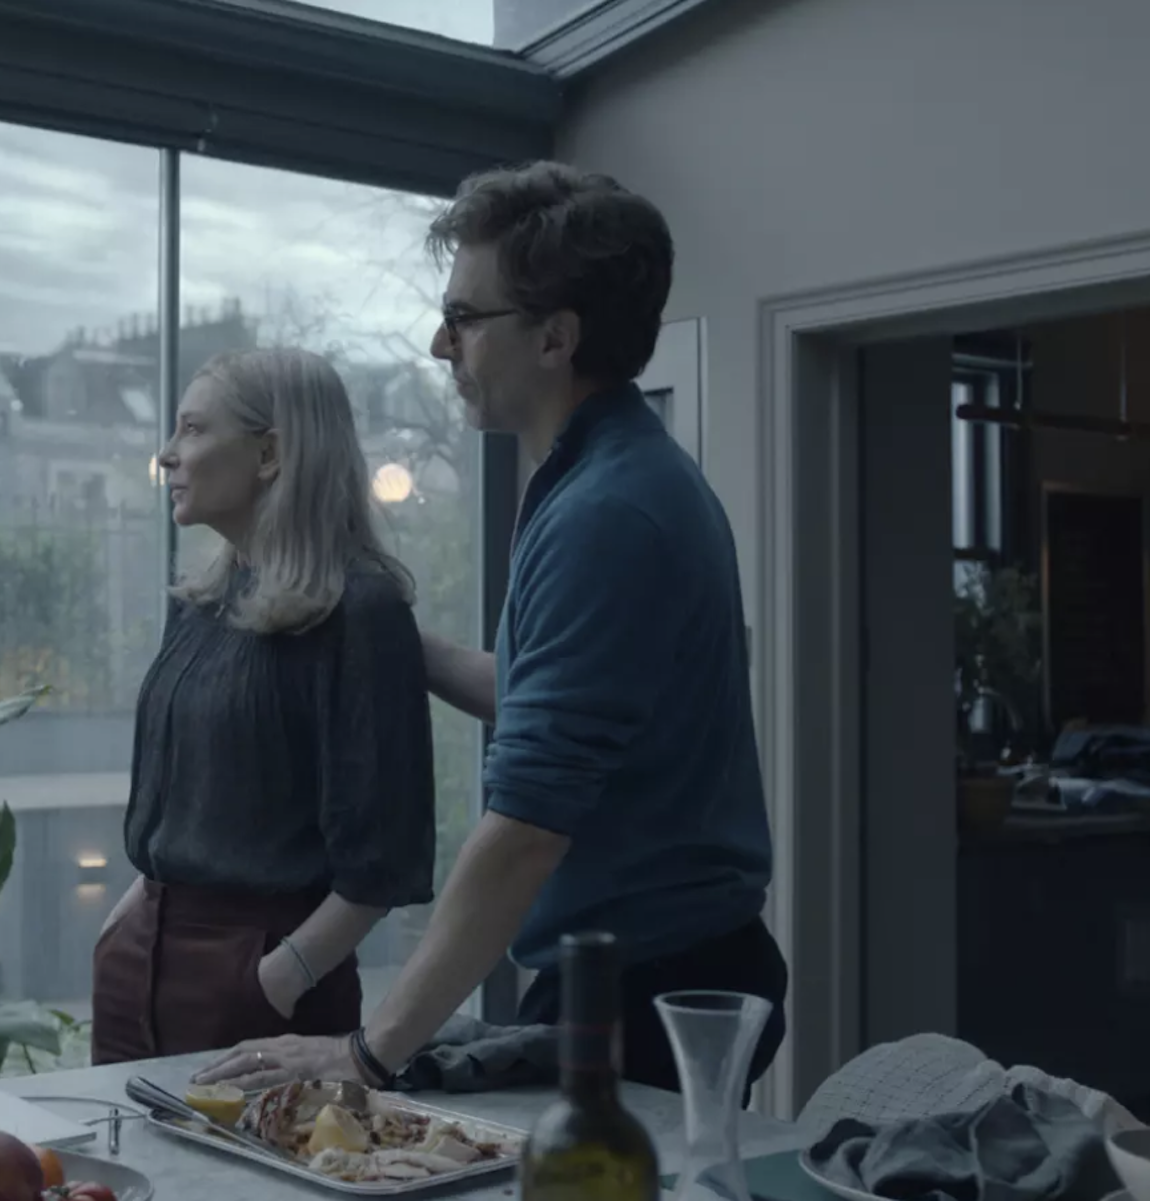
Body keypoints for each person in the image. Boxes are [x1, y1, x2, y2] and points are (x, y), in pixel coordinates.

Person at [197, 162, 786, 1097]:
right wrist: (383, 634)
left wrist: (367, 1049)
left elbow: (526, 828)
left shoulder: (610, 513)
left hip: (654, 985)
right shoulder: (603, 479)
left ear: (556, 338)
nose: (440, 343)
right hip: (637, 965)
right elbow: (538, 699)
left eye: (465, 318)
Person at [91, 346, 438, 1065]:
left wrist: (277, 979)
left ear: (270, 452)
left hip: (263, 978)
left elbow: (383, 861)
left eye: (192, 430)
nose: (165, 454)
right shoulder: (201, 605)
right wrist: (123, 931)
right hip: (140, 960)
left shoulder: (361, 612)